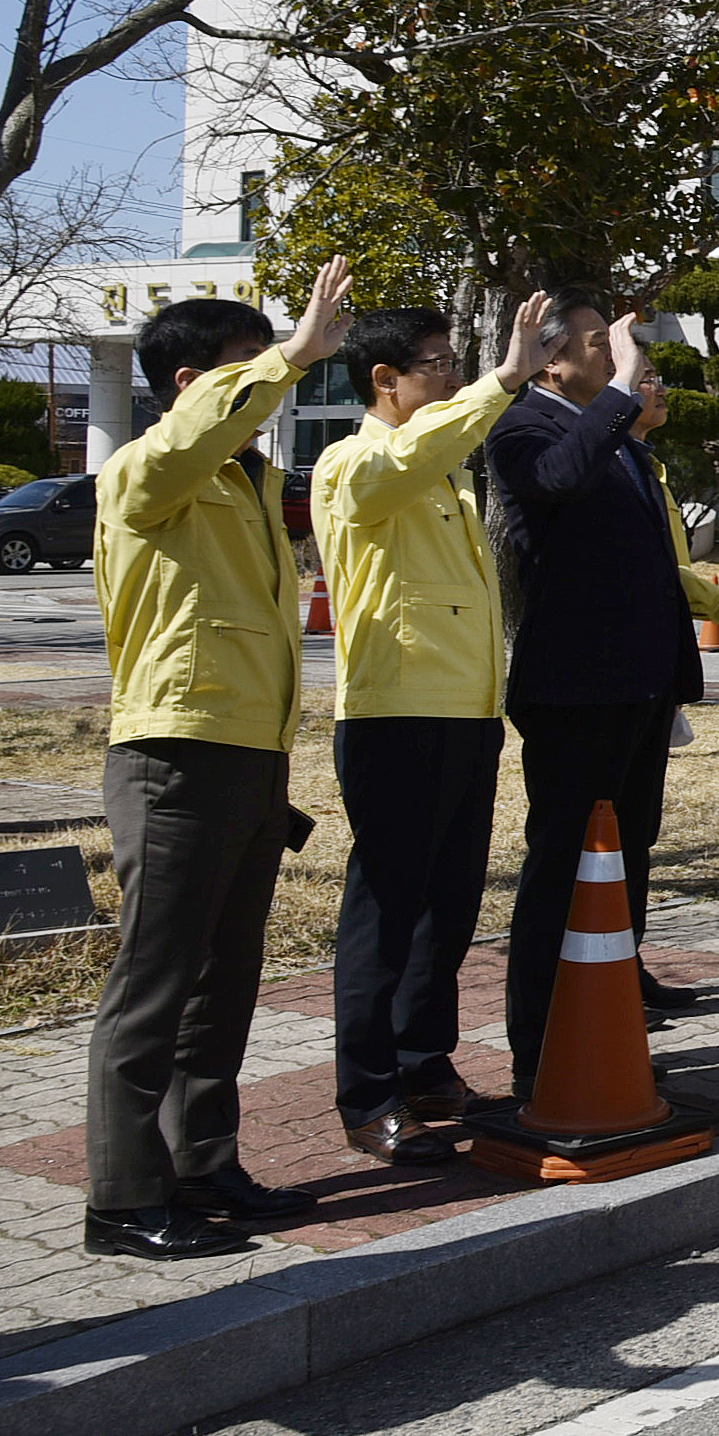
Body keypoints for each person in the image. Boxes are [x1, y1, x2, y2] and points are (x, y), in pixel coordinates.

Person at [84, 260, 355, 1261]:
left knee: (224, 979)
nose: (274, 387)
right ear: (191, 382)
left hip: (248, 755)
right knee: (153, 983)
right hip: (174, 752)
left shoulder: (247, 481)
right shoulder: (147, 470)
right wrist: (290, 354)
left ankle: (203, 1161)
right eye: (247, 369)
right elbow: (187, 440)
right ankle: (120, 1196)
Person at [489, 297, 719, 1080]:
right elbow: (556, 480)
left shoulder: (623, 446)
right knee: (564, 865)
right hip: (576, 688)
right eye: (598, 344)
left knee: (625, 855)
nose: (624, 359)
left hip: (640, 686)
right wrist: (617, 394)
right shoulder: (526, 427)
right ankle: (538, 1046)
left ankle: (613, 1001)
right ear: (551, 361)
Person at [311, 298, 545, 1165]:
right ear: (386, 379)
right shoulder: (353, 461)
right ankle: (368, 1094)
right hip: (396, 712)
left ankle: (422, 1059)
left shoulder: (442, 469)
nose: (454, 376)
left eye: (457, 362)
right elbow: (406, 458)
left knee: (446, 906)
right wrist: (506, 379)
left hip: (467, 711)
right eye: (439, 364)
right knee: (387, 908)